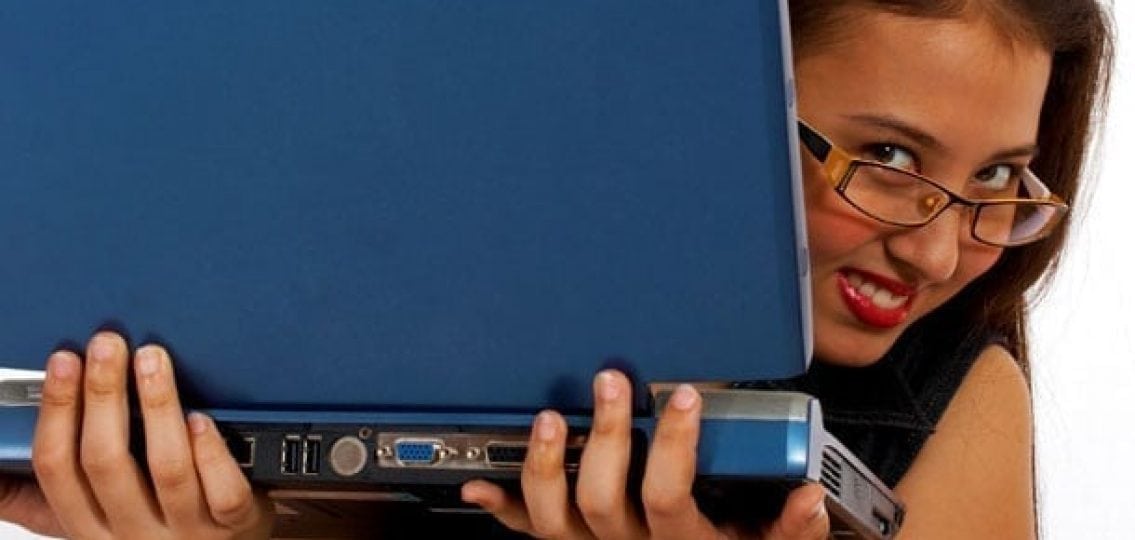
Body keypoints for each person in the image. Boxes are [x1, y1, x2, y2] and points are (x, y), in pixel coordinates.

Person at [0, 0, 1113, 538]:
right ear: (706, 123)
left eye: (1001, 180)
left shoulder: (959, 388)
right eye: (884, 159)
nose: (932, 246)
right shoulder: (419, 338)